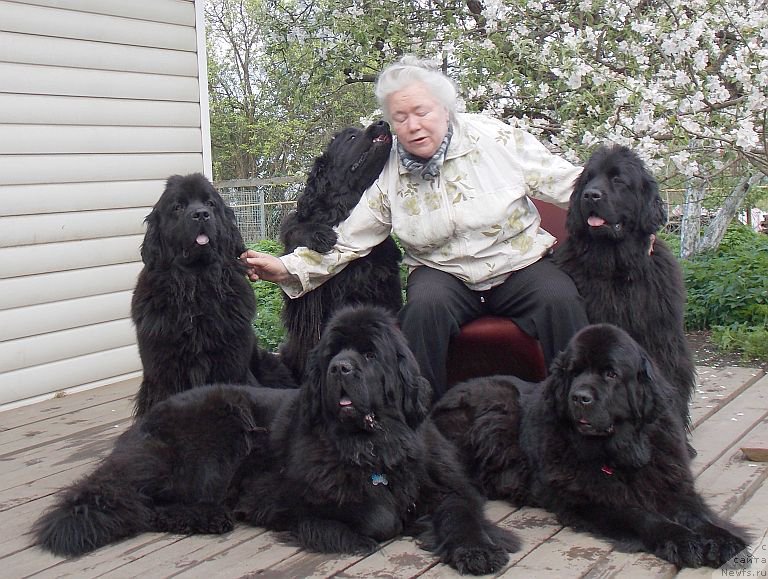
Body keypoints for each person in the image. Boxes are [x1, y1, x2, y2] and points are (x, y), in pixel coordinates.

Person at [242, 55, 588, 400]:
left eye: (421, 112)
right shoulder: (390, 172)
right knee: (423, 311)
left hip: (518, 262)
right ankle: (421, 420)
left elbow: (570, 183)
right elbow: (351, 241)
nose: (413, 126)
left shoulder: (496, 139)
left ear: (445, 108)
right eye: (400, 118)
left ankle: (579, 405)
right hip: (443, 271)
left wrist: (638, 217)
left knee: (559, 298)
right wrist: (285, 266)